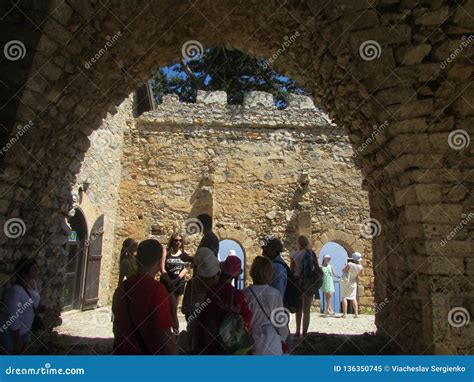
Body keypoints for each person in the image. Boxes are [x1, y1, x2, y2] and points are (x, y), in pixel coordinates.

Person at [112, 239, 177, 355]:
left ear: (137, 260)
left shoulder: (120, 290)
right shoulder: (157, 291)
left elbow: (116, 329)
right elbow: (164, 337)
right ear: (158, 263)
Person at [194, 255, 251, 355]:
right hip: (228, 343)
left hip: (210, 341)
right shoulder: (237, 295)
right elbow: (246, 319)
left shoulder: (212, 290)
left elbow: (203, 315)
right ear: (236, 275)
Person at [243, 256, 289, 355]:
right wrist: (282, 339)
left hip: (251, 344)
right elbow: (280, 323)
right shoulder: (275, 294)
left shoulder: (244, 294)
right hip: (273, 343)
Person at [181, 247, 220, 353]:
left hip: (195, 332)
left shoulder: (191, 285)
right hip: (215, 333)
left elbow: (185, 309)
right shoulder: (218, 284)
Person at [0, 258, 43, 354]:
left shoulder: (33, 283)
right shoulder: (16, 291)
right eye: (33, 269)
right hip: (11, 332)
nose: (37, 271)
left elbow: (33, 299)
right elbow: (13, 316)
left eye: (37, 268)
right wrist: (17, 339)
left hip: (26, 328)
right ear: (24, 273)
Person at [161, 233, 193, 330]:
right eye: (176, 240)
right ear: (172, 241)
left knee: (173, 309)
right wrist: (169, 281)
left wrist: (175, 280)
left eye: (180, 241)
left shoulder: (184, 255)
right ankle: (173, 332)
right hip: (167, 283)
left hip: (178, 284)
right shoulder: (166, 252)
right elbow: (162, 268)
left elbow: (186, 268)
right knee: (170, 308)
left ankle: (174, 332)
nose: (178, 242)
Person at [290, 235, 315, 337]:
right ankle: (304, 333)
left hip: (297, 282)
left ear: (298, 243)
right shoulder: (310, 254)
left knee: (298, 308)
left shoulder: (294, 254)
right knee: (307, 310)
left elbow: (292, 270)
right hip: (307, 282)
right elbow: (313, 268)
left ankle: (297, 331)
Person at [341, 252, 364, 318]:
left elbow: (343, 270)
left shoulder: (350, 264)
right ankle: (356, 314)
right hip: (354, 283)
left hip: (347, 282)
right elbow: (360, 275)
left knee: (344, 297)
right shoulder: (360, 267)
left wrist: (346, 265)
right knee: (353, 298)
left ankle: (345, 314)